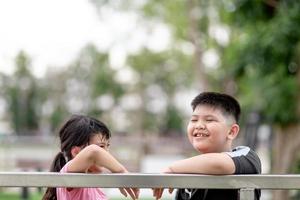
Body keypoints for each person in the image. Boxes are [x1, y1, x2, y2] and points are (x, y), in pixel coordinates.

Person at [153, 92, 261, 200]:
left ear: (232, 131)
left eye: (209, 120)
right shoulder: (187, 171)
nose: (199, 125)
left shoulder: (246, 156)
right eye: (194, 120)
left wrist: (171, 169)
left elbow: (220, 164)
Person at [42, 114, 139, 200]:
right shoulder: (71, 176)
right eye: (101, 147)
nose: (106, 153)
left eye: (107, 146)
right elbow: (93, 152)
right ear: (76, 152)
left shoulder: (93, 185)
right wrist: (122, 172)